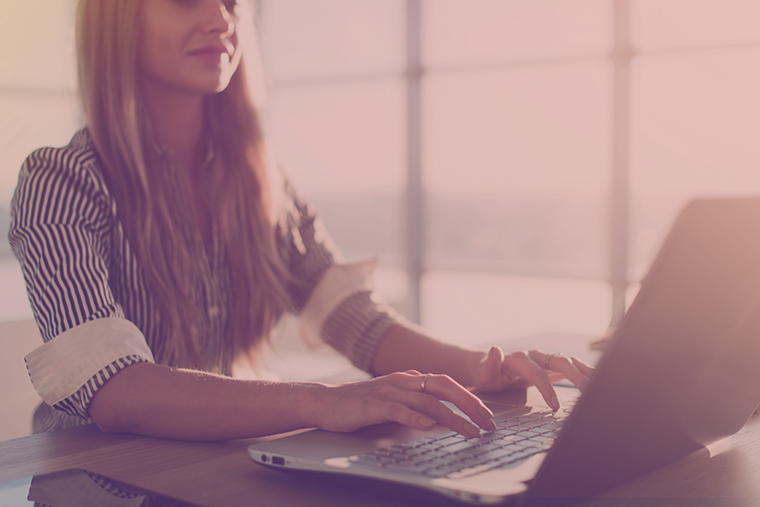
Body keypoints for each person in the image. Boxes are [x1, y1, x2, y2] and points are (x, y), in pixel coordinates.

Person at [9, 0, 593, 441]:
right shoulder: (60, 182)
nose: (221, 19)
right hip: (95, 482)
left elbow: (354, 320)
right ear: (117, 19)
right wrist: (323, 401)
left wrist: (477, 368)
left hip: (208, 467)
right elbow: (112, 386)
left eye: (232, 1)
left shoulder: (262, 185)